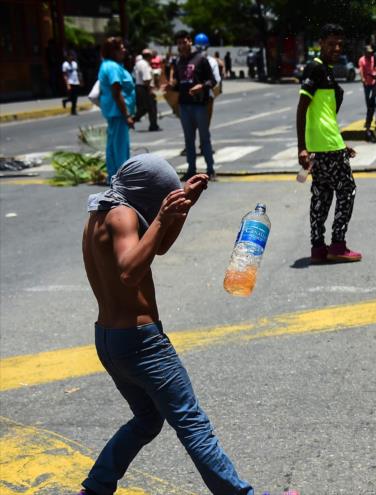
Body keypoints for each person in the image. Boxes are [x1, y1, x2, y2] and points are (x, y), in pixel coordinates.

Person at [78, 154, 254, 495]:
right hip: (142, 343)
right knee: (193, 424)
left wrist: (183, 206)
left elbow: (157, 248)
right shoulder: (122, 215)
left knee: (147, 419)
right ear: (148, 196)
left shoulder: (102, 212)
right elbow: (130, 272)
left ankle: (97, 487)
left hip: (110, 340)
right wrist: (161, 217)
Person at [296, 24, 362, 264]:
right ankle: (337, 244)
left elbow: (323, 115)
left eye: (339, 44)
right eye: (331, 43)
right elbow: (302, 108)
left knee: (321, 195)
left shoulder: (326, 70)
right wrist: (301, 147)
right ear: (321, 42)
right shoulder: (315, 68)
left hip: (325, 146)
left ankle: (317, 248)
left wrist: (341, 144)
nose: (336, 48)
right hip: (323, 147)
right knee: (346, 190)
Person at [171, 31, 217, 181]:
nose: (181, 45)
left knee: (204, 138)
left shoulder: (201, 59)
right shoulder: (178, 62)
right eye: (179, 43)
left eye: (184, 42)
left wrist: (202, 86)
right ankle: (191, 169)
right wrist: (170, 86)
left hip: (199, 105)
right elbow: (178, 84)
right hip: (184, 105)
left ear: (190, 42)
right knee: (188, 140)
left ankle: (210, 169)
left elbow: (213, 81)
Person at [98, 37, 136, 183]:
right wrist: (126, 115)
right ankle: (122, 179)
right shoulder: (113, 67)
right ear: (113, 51)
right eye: (121, 48)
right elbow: (116, 91)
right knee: (120, 147)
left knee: (113, 145)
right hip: (118, 112)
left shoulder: (107, 65)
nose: (124, 50)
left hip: (114, 112)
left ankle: (113, 176)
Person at [133, 49, 160, 131]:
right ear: (148, 56)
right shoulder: (144, 64)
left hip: (139, 87)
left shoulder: (139, 63)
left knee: (144, 107)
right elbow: (146, 79)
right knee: (150, 107)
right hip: (144, 87)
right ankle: (152, 125)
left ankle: (152, 124)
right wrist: (150, 90)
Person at [358, 44, 376, 134]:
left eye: (370, 52)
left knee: (374, 101)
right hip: (367, 84)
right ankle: (368, 120)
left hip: (375, 82)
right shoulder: (362, 60)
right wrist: (363, 79)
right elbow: (361, 70)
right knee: (369, 103)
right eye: (368, 52)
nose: (369, 54)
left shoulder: (374, 58)